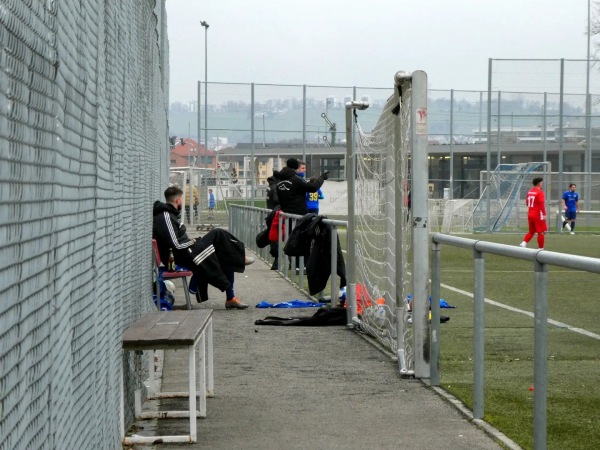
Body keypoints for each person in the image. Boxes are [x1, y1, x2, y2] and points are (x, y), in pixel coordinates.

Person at [153, 186, 254, 309]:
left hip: (185, 252)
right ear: (178, 200)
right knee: (218, 233)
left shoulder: (170, 215)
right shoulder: (165, 216)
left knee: (224, 252)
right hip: (178, 257)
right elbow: (176, 245)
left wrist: (194, 242)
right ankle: (240, 259)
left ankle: (231, 298)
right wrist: (195, 242)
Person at [520, 177, 547, 250]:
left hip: (530, 213)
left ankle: (524, 243)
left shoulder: (530, 191)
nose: (542, 184)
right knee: (541, 232)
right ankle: (541, 248)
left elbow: (527, 202)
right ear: (539, 183)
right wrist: (544, 214)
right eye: (542, 183)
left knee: (531, 231)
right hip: (538, 214)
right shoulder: (540, 192)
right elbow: (541, 204)